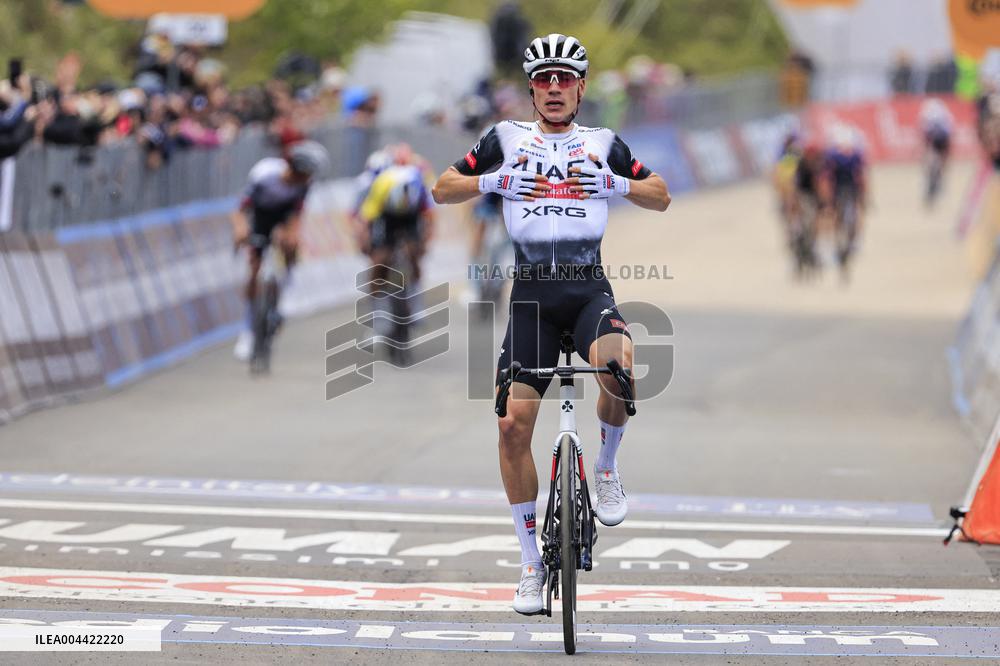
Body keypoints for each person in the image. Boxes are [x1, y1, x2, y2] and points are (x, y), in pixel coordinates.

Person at [431, 33, 670, 615]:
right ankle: (531, 565)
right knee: (513, 426)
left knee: (619, 368)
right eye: (544, 79)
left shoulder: (603, 143)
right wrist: (494, 180)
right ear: (532, 89)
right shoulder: (505, 139)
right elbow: (442, 188)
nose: (555, 88)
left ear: (582, 88)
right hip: (532, 297)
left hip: (588, 289)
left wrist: (616, 185)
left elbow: (660, 194)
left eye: (565, 79)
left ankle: (607, 469)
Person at [231, 140, 329, 361]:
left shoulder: (304, 184)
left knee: (291, 245)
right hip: (260, 216)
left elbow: (296, 216)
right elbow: (240, 210)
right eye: (307, 174)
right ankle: (248, 332)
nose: (308, 180)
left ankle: (285, 293)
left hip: (284, 216)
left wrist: (291, 236)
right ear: (297, 168)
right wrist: (241, 230)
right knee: (254, 268)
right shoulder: (265, 175)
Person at [919, 98, 953, 206]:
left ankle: (937, 179)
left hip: (940, 137)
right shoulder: (938, 115)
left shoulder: (929, 115)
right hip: (939, 137)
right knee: (936, 160)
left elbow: (925, 137)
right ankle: (935, 180)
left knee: (934, 160)